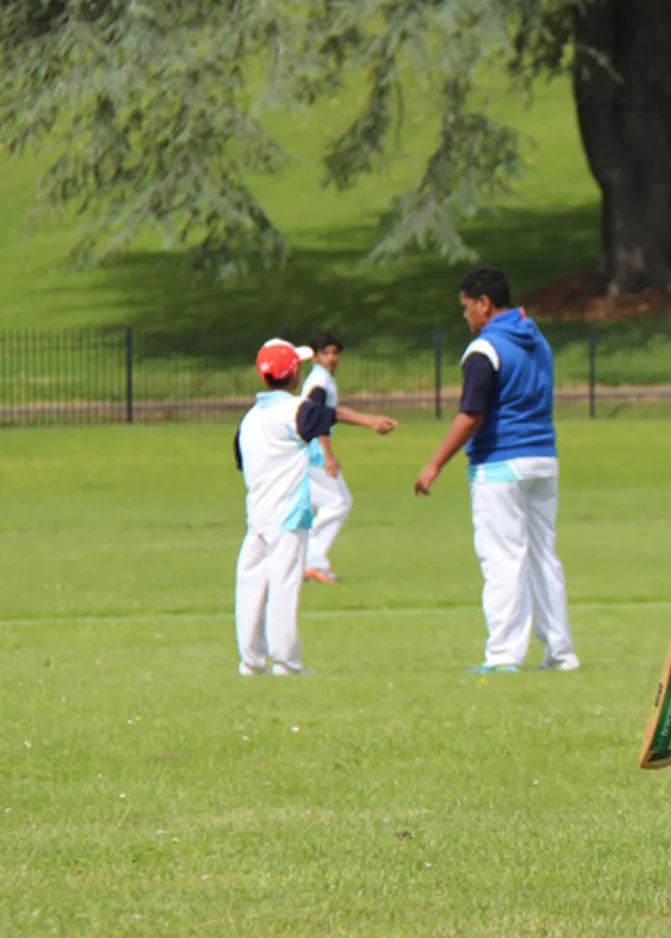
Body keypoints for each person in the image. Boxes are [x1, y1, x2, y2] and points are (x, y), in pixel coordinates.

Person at [413, 268, 581, 671]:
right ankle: (561, 652)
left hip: (501, 462)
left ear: (483, 303)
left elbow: (472, 413)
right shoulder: (536, 339)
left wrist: (434, 464)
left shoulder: (484, 350)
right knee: (543, 554)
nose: (465, 317)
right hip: (543, 457)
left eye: (466, 307)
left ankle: (504, 654)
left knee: (503, 558)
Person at [234, 338, 335, 676]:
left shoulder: (248, 420)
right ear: (294, 375)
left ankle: (250, 661)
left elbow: (241, 461)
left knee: (251, 587)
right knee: (283, 585)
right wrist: (368, 420)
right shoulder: (295, 410)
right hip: (289, 515)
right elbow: (324, 418)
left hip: (257, 515)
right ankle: (286, 662)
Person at [299, 330, 400, 584]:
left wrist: (370, 421)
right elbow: (320, 419)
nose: (332, 358)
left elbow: (336, 412)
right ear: (315, 357)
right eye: (325, 353)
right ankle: (312, 561)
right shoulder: (319, 383)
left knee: (326, 503)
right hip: (313, 452)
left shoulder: (322, 379)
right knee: (338, 503)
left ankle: (307, 561)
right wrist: (329, 455)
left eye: (335, 353)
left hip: (305, 452)